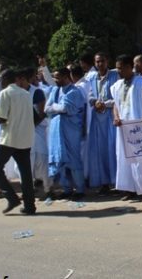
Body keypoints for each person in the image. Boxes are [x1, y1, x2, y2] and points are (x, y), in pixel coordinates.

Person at [0, 69, 36, 215]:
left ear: (6, 80)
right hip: (25, 138)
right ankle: (30, 206)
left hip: (9, 138)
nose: (0, 82)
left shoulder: (5, 93)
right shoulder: (26, 94)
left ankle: (11, 198)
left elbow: (2, 118)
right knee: (25, 173)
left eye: (1, 80)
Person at [112, 54, 142, 201]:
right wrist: (116, 117)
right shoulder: (117, 85)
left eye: (120, 68)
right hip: (123, 128)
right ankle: (129, 190)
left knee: (141, 160)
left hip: (140, 129)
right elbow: (116, 104)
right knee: (124, 158)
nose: (118, 71)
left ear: (128, 67)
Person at [46, 67, 87, 200]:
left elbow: (66, 108)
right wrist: (57, 108)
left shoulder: (74, 92)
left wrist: (55, 107)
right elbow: (46, 108)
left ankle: (79, 190)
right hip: (56, 132)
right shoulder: (55, 90)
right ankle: (67, 189)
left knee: (73, 160)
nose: (55, 80)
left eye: (57, 77)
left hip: (71, 132)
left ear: (65, 77)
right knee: (60, 161)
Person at [86, 52, 120, 192]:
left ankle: (117, 182)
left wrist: (104, 104)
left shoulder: (115, 76)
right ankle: (104, 183)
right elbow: (89, 95)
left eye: (102, 61)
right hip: (97, 120)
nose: (100, 64)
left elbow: (117, 97)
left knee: (113, 149)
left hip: (111, 118)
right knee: (100, 151)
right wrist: (95, 102)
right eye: (97, 62)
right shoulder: (91, 77)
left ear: (107, 61)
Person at [25, 68, 52, 199]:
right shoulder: (17, 92)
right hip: (23, 133)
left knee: (42, 158)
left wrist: (31, 125)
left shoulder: (37, 92)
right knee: (25, 162)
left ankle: (48, 189)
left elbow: (42, 113)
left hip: (37, 131)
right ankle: (27, 190)